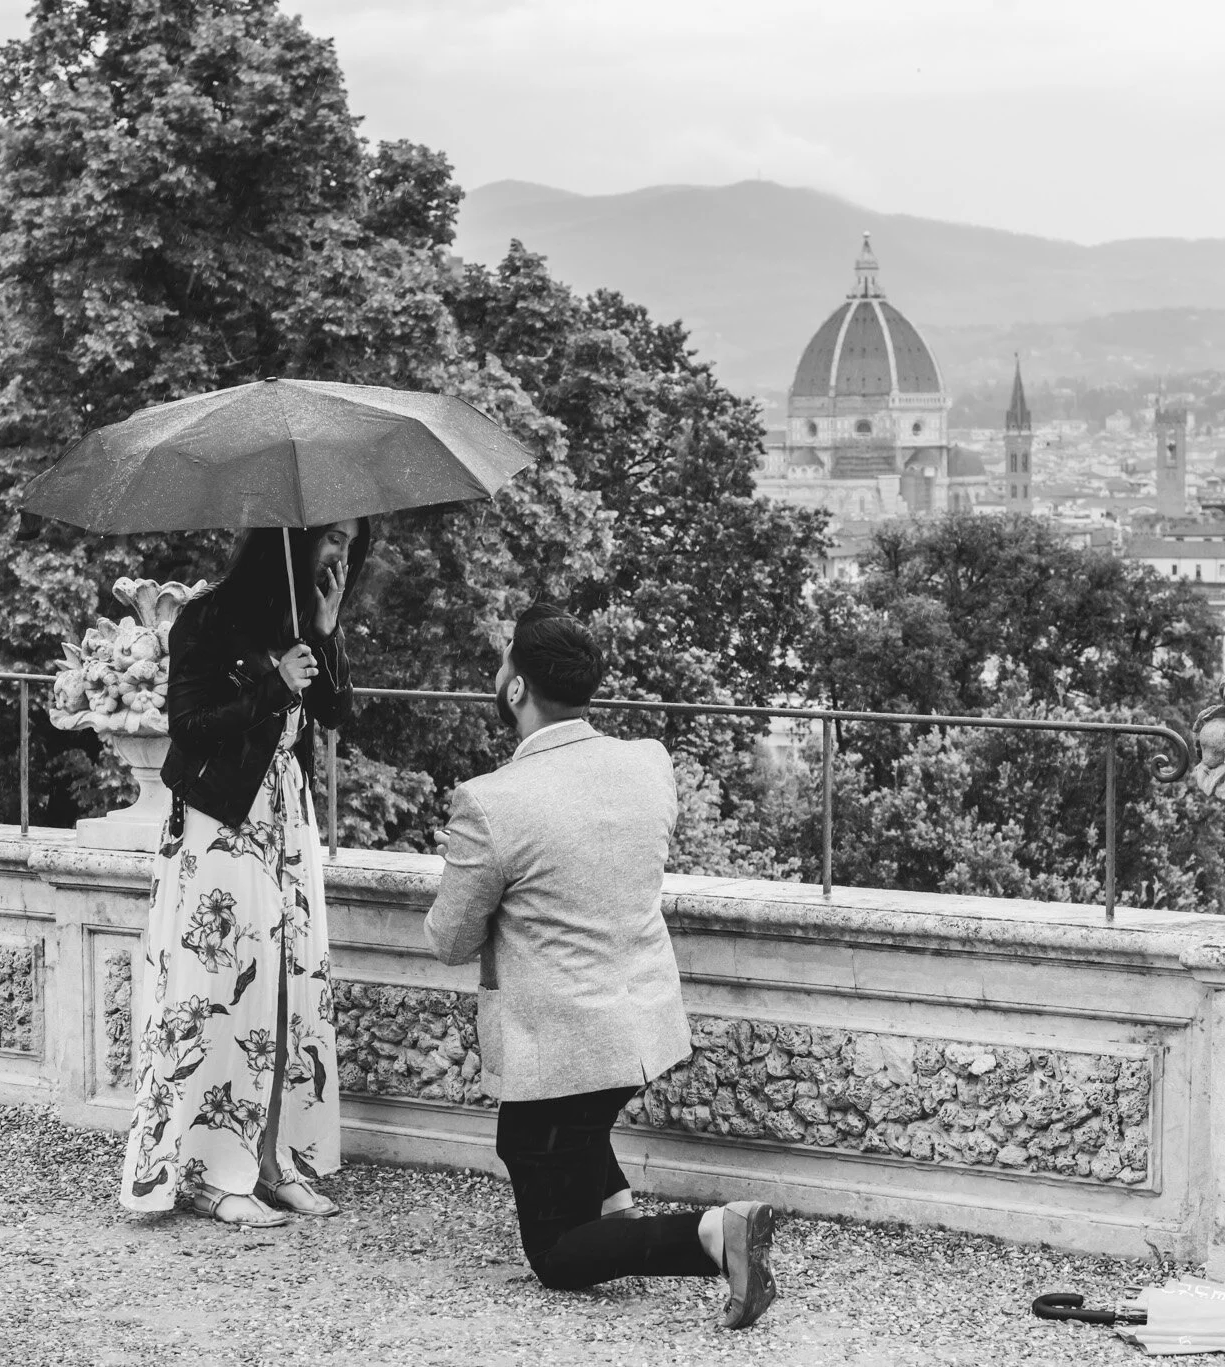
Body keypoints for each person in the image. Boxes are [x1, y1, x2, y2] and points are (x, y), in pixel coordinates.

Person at [424, 604, 781, 1329]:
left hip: (561, 1046)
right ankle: (614, 1204)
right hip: (641, 1027)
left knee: (554, 1248)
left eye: (502, 667)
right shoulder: (648, 762)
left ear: (516, 688)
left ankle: (717, 1233)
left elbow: (450, 939)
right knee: (560, 1137)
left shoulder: (491, 802)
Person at [118, 519, 370, 1228]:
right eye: (333, 539)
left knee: (287, 986)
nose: (342, 555)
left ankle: (270, 1159)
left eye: (351, 542)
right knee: (220, 990)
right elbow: (190, 724)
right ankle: (204, 1170)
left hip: (284, 819)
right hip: (222, 822)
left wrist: (325, 627)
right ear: (291, 540)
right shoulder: (208, 617)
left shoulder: (299, 617)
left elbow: (335, 712)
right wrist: (271, 683)